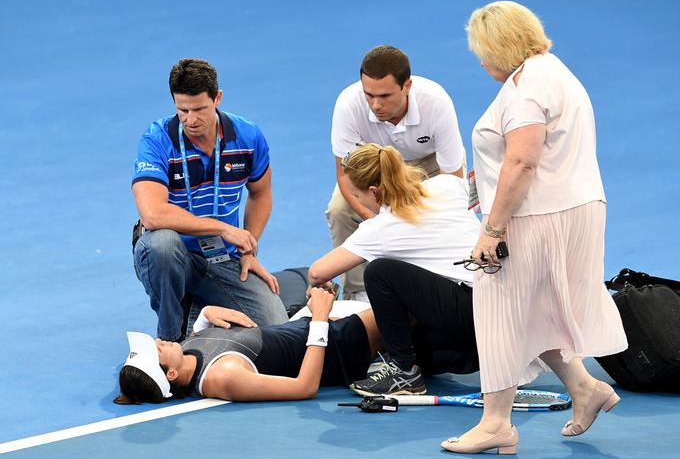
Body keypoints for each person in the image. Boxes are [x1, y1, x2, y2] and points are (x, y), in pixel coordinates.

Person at [439, 1, 628, 454]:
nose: (480, 61)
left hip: (534, 216)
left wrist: (493, 228)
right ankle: (584, 388)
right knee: (538, 310)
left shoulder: (526, 89)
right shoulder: (553, 70)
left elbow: (522, 161)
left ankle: (495, 424)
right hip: (576, 206)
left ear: (500, 47)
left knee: (499, 312)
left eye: (482, 52)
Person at [132, 58, 288, 342]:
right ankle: (170, 340)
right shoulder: (156, 140)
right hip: (171, 254)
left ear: (217, 98)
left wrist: (249, 250)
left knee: (275, 329)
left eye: (199, 109)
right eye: (183, 110)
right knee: (162, 246)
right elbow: (152, 214)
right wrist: (223, 228)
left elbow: (261, 193)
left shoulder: (248, 136)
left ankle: (198, 310)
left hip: (222, 257)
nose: (191, 120)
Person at [309, 143, 481, 396]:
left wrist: (319, 288)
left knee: (380, 272)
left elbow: (317, 272)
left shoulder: (381, 227)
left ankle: (404, 371)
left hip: (470, 310)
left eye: (357, 197)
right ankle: (484, 356)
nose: (358, 202)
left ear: (373, 192)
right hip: (499, 303)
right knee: (419, 348)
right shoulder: (448, 183)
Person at [327, 45, 467, 300]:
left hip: (431, 165)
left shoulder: (436, 103)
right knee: (339, 210)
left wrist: (402, 222)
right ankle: (359, 292)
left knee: (431, 214)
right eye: (369, 95)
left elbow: (453, 182)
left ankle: (443, 281)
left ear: (407, 86)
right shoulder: (348, 104)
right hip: (374, 166)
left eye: (385, 96)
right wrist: (376, 221)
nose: (375, 105)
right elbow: (345, 177)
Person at [114, 288, 383, 404]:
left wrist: (206, 313)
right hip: (340, 347)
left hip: (307, 324)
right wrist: (321, 319)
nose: (160, 340)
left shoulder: (185, 353)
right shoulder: (223, 377)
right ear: (171, 374)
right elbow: (305, 387)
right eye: (158, 349)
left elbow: (208, 340)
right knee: (398, 293)